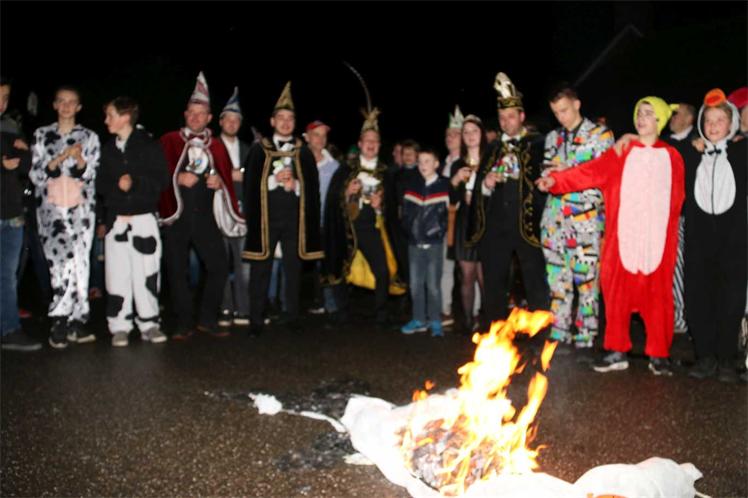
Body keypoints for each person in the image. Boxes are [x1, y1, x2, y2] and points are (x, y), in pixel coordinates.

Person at [537, 96, 684, 376]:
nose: (641, 118)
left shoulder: (672, 156)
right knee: (617, 297)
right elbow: (589, 172)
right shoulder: (622, 151)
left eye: (648, 113)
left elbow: (676, 202)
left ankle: (659, 354)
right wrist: (556, 181)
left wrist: (668, 242)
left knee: (658, 300)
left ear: (660, 120)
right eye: (639, 113)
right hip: (622, 239)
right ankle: (616, 350)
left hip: (656, 242)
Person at [159, 72, 242, 340]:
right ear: (185, 114)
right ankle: (184, 322)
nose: (196, 118)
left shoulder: (216, 146)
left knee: (219, 267)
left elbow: (226, 178)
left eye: (201, 114)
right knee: (177, 271)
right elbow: (156, 175)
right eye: (192, 113)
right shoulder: (168, 141)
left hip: (205, 218)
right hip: (177, 218)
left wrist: (220, 183)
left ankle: (207, 318)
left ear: (209, 118)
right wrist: (176, 178)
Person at [466, 72, 549, 329]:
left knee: (535, 282)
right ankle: (496, 334)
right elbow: (479, 188)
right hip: (496, 227)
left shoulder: (538, 144)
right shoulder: (492, 149)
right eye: (502, 117)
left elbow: (546, 181)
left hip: (528, 225)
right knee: (494, 282)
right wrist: (487, 184)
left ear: (522, 117)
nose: (505, 122)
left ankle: (541, 337)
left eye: (511, 116)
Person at [242, 82, 323, 336]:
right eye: (281, 118)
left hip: (293, 221)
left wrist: (296, 185)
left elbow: (312, 189)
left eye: (290, 119)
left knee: (293, 270)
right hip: (266, 221)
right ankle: (256, 319)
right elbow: (249, 186)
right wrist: (272, 181)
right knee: (261, 270)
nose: (286, 123)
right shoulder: (259, 150)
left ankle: (292, 316)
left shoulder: (303, 152)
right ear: (272, 121)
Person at [679, 89, 746, 383]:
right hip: (700, 240)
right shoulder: (691, 154)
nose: (714, 125)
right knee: (698, 297)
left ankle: (727, 359)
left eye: (720, 120)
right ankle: (705, 356)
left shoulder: (743, 152)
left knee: (730, 300)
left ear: (731, 124)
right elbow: (662, 146)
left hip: (733, 241)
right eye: (709, 120)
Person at [540, 85, 614, 350]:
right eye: (555, 112)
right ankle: (560, 329)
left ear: (577, 104)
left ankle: (586, 332)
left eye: (564, 110)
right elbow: (549, 170)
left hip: (585, 220)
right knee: (557, 279)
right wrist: (545, 180)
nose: (560, 117)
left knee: (586, 281)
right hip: (554, 220)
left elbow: (600, 173)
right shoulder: (552, 137)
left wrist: (567, 169)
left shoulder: (600, 135)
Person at [30, 85, 101, 349]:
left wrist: (79, 159)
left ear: (79, 107)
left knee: (80, 262)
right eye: (62, 101)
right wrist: (59, 159)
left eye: (72, 102)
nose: (67, 106)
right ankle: (59, 317)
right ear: (54, 105)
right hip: (51, 210)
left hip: (81, 210)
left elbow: (91, 173)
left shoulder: (89, 137)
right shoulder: (41, 135)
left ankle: (77, 320)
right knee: (59, 262)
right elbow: (36, 175)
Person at [321, 107, 406, 326]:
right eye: (367, 140)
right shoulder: (346, 169)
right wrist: (346, 192)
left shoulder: (386, 173)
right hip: (346, 226)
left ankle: (381, 314)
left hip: (370, 228)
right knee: (339, 268)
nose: (371, 144)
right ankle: (342, 312)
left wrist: (380, 206)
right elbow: (333, 198)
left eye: (375, 141)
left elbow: (392, 208)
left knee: (382, 270)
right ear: (359, 144)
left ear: (379, 145)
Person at [97, 96, 170, 346]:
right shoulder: (108, 149)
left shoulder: (149, 145)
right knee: (116, 275)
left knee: (147, 273)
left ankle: (149, 323)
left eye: (110, 115)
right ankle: (119, 325)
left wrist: (135, 184)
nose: (106, 120)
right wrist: (116, 191)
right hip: (117, 222)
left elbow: (161, 180)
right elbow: (101, 185)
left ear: (125, 117)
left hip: (143, 222)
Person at [0, 76, 41, 351]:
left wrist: (19, 157)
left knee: (7, 276)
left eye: (4, 98)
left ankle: (9, 329)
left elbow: (28, 163)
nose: (1, 104)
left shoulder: (9, 128)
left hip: (11, 212)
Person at [400, 148, 451, 337]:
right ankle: (419, 318)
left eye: (427, 161)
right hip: (414, 245)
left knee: (433, 286)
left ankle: (435, 320)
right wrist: (409, 231)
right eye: (420, 161)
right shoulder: (412, 185)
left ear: (436, 164)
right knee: (415, 285)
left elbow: (450, 213)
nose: (423, 165)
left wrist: (438, 233)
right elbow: (406, 213)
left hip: (434, 245)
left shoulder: (444, 185)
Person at [217, 87, 251, 328]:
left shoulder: (249, 150)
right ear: (220, 122)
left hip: (243, 213)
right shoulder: (210, 147)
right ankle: (225, 308)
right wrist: (225, 176)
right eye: (228, 119)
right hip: (217, 212)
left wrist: (244, 176)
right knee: (220, 263)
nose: (231, 123)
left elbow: (257, 179)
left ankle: (243, 308)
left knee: (244, 265)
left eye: (236, 120)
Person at [448, 114, 486, 334]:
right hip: (464, 223)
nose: (470, 135)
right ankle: (468, 322)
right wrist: (454, 181)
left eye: (474, 131)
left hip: (486, 222)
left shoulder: (490, 160)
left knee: (485, 277)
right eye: (466, 132)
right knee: (467, 275)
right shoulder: (457, 164)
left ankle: (489, 322)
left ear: (482, 134)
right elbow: (452, 200)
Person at [303, 120, 340, 317]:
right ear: (307, 137)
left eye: (323, 136)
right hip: (302, 224)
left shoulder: (334, 167)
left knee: (326, 263)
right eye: (316, 134)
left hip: (326, 224)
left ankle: (329, 304)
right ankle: (285, 305)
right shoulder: (297, 161)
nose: (320, 139)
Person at [439, 106, 464, 328]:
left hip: (461, 219)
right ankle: (445, 310)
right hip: (444, 220)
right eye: (448, 134)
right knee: (445, 267)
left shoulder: (466, 162)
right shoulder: (442, 164)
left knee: (467, 267)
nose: (450, 138)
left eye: (455, 134)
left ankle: (473, 311)